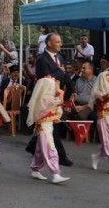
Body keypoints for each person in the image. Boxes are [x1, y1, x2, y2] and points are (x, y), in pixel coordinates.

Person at [32, 33, 74, 166]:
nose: (61, 44)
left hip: (58, 96)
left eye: (61, 42)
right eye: (58, 42)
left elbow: (65, 76)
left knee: (49, 127)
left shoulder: (60, 57)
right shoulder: (41, 59)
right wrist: (59, 72)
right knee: (51, 126)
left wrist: (72, 89)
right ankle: (59, 157)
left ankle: (33, 149)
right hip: (47, 98)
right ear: (49, 43)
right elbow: (45, 78)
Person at [27, 77, 70, 183]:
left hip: (46, 125)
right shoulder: (45, 98)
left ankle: (35, 168)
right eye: (52, 86)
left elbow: (51, 110)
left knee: (40, 150)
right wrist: (59, 90)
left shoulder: (45, 98)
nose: (54, 88)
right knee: (50, 148)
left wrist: (55, 118)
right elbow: (59, 101)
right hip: (44, 127)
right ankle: (56, 174)